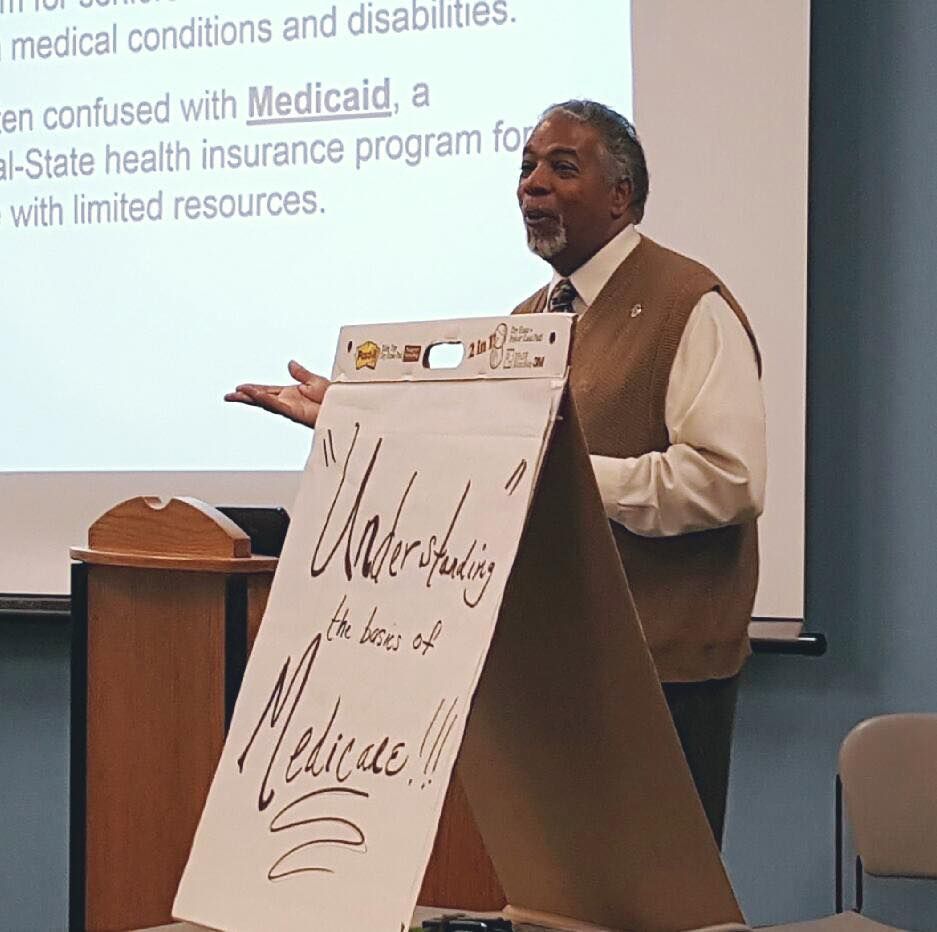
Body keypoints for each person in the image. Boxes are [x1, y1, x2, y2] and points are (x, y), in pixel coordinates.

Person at [226, 99, 766, 849]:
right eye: (525, 168)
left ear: (621, 195)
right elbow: (481, 454)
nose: (532, 185)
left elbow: (727, 481)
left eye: (561, 168)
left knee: (657, 900)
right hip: (546, 660)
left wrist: (566, 476)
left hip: (659, 673)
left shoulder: (687, 305)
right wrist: (356, 419)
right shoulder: (526, 324)